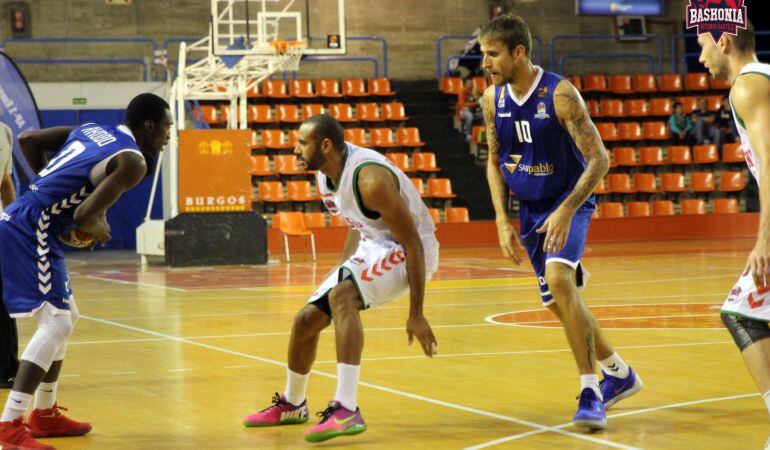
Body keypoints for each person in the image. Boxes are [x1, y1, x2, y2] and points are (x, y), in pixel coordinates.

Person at [479, 14, 642, 429]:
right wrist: (501, 219)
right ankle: (619, 374)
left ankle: (591, 391)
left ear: (519, 52)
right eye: (483, 54)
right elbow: (495, 161)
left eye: (492, 54)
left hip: (568, 202)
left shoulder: (561, 94)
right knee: (559, 303)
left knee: (559, 282)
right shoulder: (490, 100)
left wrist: (568, 209)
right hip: (531, 211)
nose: (485, 63)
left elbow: (600, 159)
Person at [242, 114, 439, 443]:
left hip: (410, 250)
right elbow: (356, 224)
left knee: (342, 297)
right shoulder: (325, 176)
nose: (295, 150)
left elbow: (413, 243)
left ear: (326, 145)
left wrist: (416, 312)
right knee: (305, 320)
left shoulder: (370, 179)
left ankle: (346, 409)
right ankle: (293, 404)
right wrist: (338, 273)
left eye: (302, 143)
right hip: (373, 244)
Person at [0, 93, 171, 449]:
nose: (169, 136)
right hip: (30, 228)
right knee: (56, 322)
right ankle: (10, 425)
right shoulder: (133, 162)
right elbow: (83, 218)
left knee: (67, 316)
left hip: (26, 217)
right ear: (149, 125)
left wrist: (45, 189)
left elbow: (28, 140)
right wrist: (99, 227)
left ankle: (44, 414)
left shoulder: (94, 129)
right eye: (167, 127)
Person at [697, 21, 770, 443]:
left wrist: (764, 238)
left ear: (723, 40)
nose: (701, 56)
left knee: (741, 313)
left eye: (702, 44)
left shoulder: (747, 86)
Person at [0, 122, 19, 390]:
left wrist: (16, 224)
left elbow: (5, 183)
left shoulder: (4, 131)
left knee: (4, 302)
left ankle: (7, 368)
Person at [458, 77, 483, 141]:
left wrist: (478, 99)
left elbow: (478, 100)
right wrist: (476, 103)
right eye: (468, 83)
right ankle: (468, 134)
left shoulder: (474, 91)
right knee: (470, 116)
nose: (470, 85)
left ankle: (481, 134)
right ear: (464, 84)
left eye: (471, 83)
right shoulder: (462, 91)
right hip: (463, 111)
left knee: (484, 115)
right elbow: (462, 104)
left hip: (473, 110)